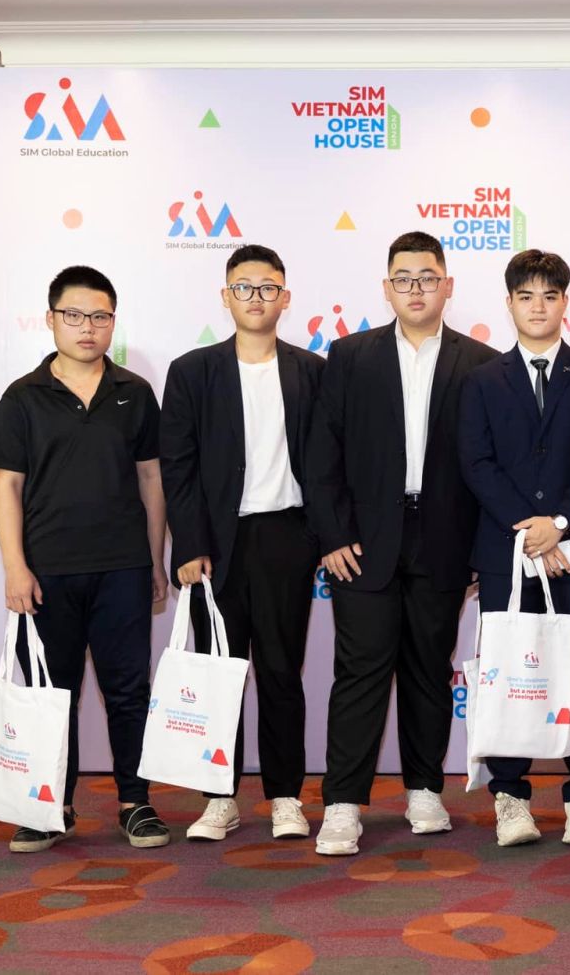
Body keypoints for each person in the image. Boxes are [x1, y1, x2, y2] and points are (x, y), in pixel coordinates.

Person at [307, 231, 497, 857]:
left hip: (444, 539)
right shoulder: (350, 356)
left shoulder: (480, 362)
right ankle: (342, 802)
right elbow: (322, 452)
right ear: (386, 288)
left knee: (429, 671)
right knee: (359, 672)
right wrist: (332, 535)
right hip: (363, 542)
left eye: (427, 278)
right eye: (404, 279)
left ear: (448, 286)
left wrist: (479, 548)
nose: (416, 289)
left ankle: (424, 789)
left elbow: (487, 464)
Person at [0, 265, 170, 853]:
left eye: (100, 316)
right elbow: (6, 487)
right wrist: (14, 566)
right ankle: (49, 806)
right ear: (51, 319)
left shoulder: (134, 392)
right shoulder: (22, 396)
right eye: (74, 315)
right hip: (47, 571)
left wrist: (155, 560)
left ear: (113, 322)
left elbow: (151, 480)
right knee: (50, 694)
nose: (88, 327)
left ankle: (135, 802)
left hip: (123, 567)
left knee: (128, 690)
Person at [458, 248, 570, 848]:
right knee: (511, 669)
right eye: (526, 296)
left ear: (565, 304)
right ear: (509, 304)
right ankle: (510, 796)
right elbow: (476, 462)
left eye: (549, 296)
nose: (538, 307)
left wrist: (558, 523)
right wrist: (528, 530)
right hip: (506, 551)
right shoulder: (482, 380)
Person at [160, 244, 325, 843]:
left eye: (268, 287)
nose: (256, 298)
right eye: (244, 287)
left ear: (285, 297)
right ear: (225, 296)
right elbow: (178, 467)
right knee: (217, 675)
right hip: (216, 545)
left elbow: (327, 464)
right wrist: (188, 546)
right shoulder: (192, 371)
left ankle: (285, 796)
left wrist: (320, 537)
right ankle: (219, 797)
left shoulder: (312, 371)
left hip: (287, 537)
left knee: (282, 673)